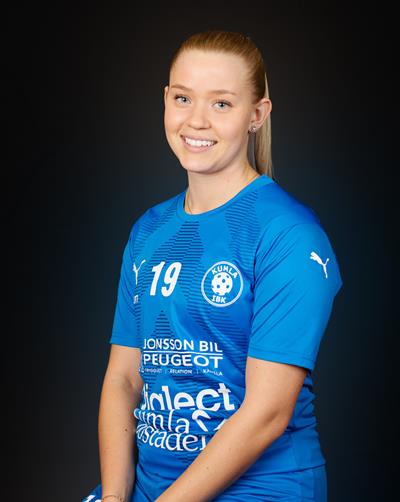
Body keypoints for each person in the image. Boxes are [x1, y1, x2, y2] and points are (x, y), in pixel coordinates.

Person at [82, 30, 343, 502]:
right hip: (152, 487)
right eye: (183, 98)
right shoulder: (148, 231)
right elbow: (123, 379)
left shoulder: (288, 234)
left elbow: (267, 413)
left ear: (256, 115)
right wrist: (115, 498)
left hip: (263, 488)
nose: (196, 120)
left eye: (221, 103)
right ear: (166, 99)